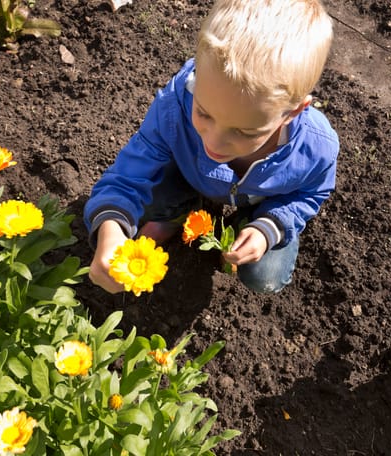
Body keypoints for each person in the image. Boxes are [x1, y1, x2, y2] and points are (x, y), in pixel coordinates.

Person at [84, 0, 339, 294]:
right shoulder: (175, 105)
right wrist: (111, 228)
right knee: (138, 204)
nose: (214, 143)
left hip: (260, 201)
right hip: (190, 176)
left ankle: (249, 225)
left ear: (293, 111)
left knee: (265, 277)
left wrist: (269, 228)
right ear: (197, 77)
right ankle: (175, 214)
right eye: (204, 113)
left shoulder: (315, 150)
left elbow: (310, 194)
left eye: (245, 131)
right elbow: (127, 176)